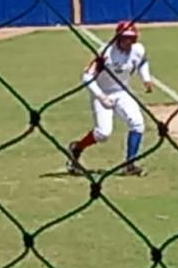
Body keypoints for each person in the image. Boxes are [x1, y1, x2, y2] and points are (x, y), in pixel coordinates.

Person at [66, 20, 153, 177]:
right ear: (118, 37)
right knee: (103, 134)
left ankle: (130, 164)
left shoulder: (138, 50)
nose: (128, 41)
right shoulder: (106, 53)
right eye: (125, 37)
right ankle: (77, 148)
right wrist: (100, 96)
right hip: (102, 91)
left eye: (131, 38)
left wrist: (146, 79)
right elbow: (87, 76)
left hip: (122, 91)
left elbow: (142, 63)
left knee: (137, 124)